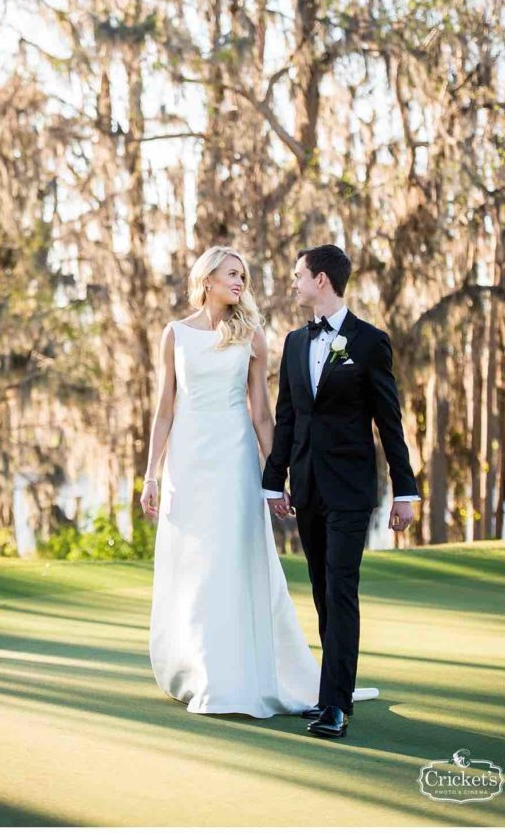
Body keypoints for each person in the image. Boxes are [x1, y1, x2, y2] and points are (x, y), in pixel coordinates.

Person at [141, 245, 378, 719]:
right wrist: (151, 473)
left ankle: (235, 673)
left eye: (243, 276)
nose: (240, 283)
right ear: (206, 279)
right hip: (187, 462)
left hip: (234, 461)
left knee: (231, 558)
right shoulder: (175, 335)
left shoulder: (253, 336)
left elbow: (264, 416)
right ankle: (197, 666)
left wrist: (277, 476)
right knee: (194, 565)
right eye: (232, 274)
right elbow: (165, 409)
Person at [262, 244, 420, 738]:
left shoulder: (370, 342)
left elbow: (389, 422)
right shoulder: (292, 342)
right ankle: (335, 691)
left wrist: (406, 491)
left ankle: (334, 705)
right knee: (324, 594)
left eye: (298, 275)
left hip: (352, 489)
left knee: (341, 587)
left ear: (323, 280)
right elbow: (287, 417)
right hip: (305, 486)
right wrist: (273, 480)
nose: (293, 282)